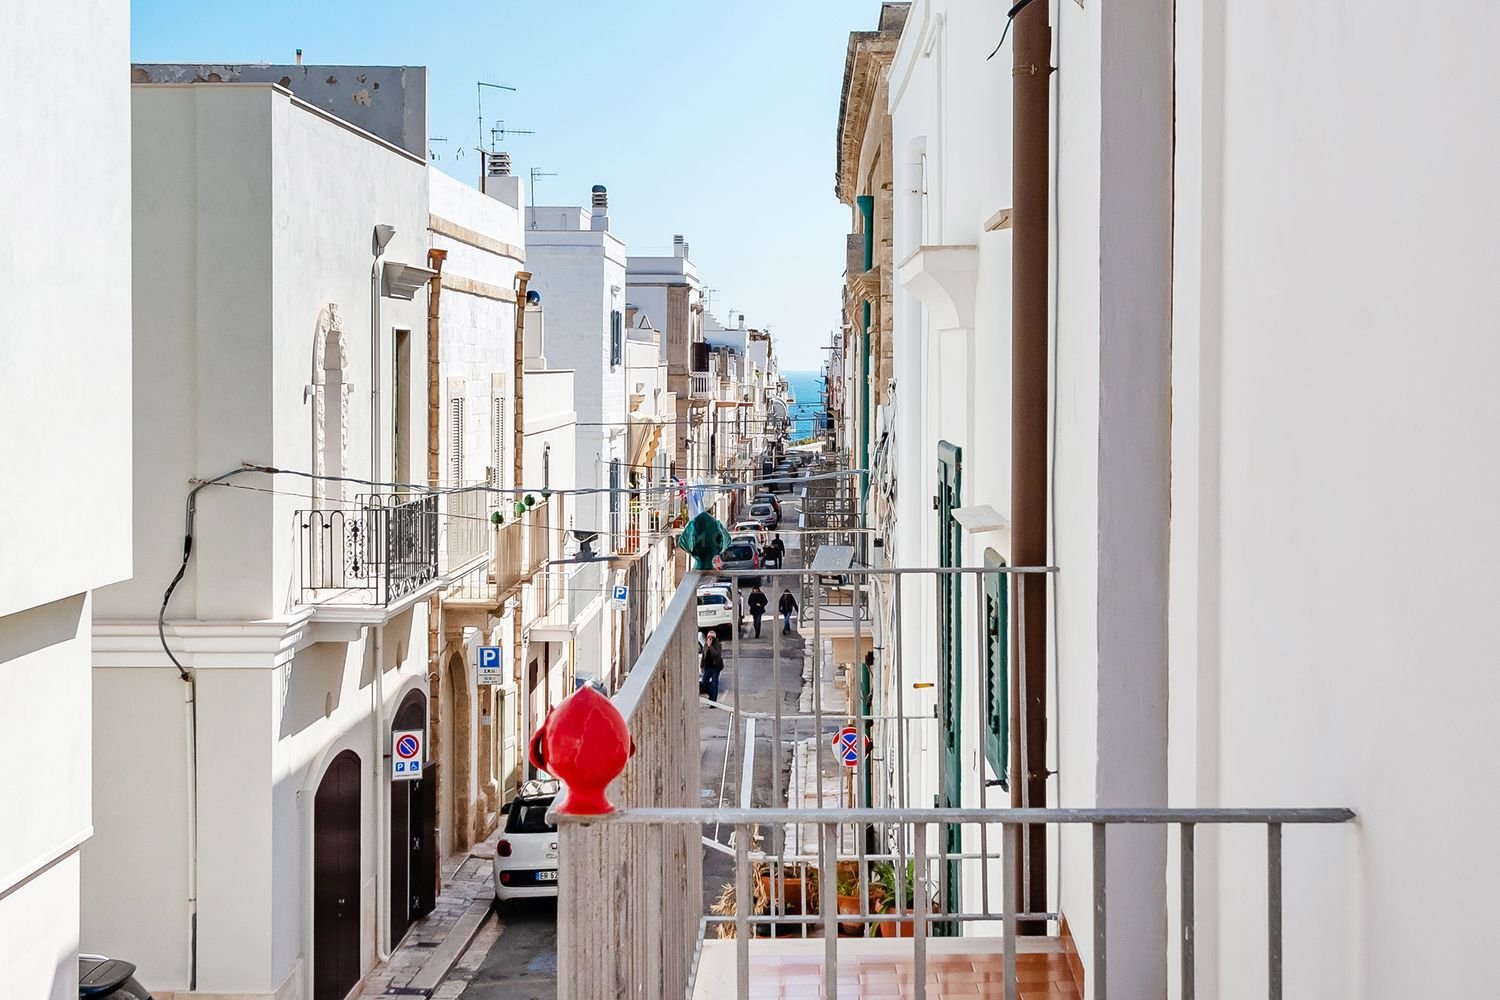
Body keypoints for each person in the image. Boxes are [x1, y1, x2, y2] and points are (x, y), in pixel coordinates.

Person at [699, 632, 725, 701]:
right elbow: (703, 656)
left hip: (715, 667)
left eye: (711, 638)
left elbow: (716, 654)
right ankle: (711, 694)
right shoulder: (705, 645)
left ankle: (713, 701)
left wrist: (710, 646)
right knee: (704, 682)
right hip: (707, 667)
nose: (710, 639)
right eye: (708, 637)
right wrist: (701, 666)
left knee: (714, 684)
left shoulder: (718, 645)